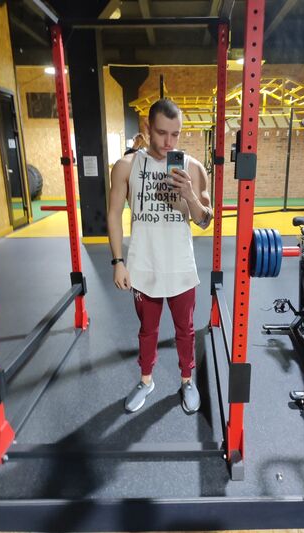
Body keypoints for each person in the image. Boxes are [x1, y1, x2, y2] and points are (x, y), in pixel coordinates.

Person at [108, 98, 213, 414]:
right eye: (161, 133)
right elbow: (114, 214)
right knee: (147, 330)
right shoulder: (127, 166)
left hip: (180, 267)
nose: (169, 142)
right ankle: (146, 381)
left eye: (175, 134)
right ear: (147, 128)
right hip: (143, 266)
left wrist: (189, 195)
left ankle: (187, 381)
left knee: (186, 330)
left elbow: (205, 220)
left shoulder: (193, 168)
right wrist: (118, 261)